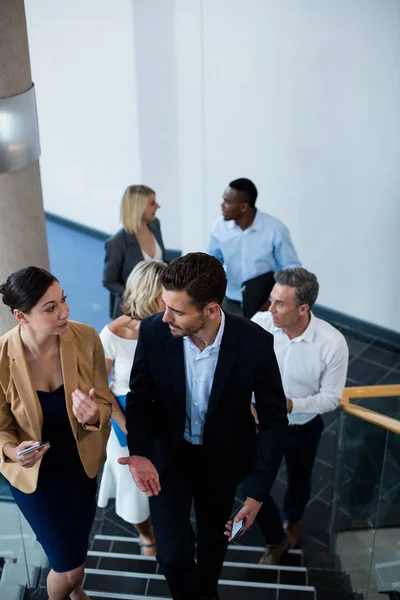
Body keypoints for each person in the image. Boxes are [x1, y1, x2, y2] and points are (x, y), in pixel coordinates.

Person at [120, 252, 288, 600]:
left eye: (177, 311)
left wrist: (257, 492)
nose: (165, 316)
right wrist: (139, 452)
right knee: (171, 554)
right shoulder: (153, 331)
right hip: (167, 457)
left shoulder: (255, 343)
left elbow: (273, 421)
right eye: (165, 304)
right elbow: (140, 399)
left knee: (213, 542)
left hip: (223, 461)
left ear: (211, 309)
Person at [0, 266, 113, 600]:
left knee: (74, 555)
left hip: (80, 465)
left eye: (63, 301)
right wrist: (11, 451)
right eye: (50, 308)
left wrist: (94, 414)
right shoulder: (2, 358)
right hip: (35, 477)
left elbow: (104, 401)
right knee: (68, 567)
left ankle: (76, 594)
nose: (65, 311)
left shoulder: (86, 337)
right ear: (21, 315)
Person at [251, 267, 349, 564]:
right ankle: (275, 538)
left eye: (280, 303)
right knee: (252, 484)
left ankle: (292, 521)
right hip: (260, 424)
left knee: (299, 478)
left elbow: (332, 398)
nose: (271, 309)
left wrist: (291, 405)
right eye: (271, 300)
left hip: (301, 428)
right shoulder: (260, 324)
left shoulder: (332, 344)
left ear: (303, 308)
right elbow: (237, 368)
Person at [97, 260, 167, 555]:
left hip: (164, 414)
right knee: (133, 491)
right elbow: (99, 385)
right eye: (167, 291)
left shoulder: (171, 326)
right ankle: (146, 533)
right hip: (123, 417)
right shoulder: (112, 333)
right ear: (151, 294)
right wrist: (127, 426)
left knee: (167, 478)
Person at [208, 178, 301, 316]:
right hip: (230, 302)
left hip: (264, 304)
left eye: (227, 201)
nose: (222, 205)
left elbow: (292, 269)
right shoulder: (219, 228)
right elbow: (212, 263)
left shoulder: (275, 230)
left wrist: (272, 300)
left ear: (243, 207)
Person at [103, 184, 165, 318]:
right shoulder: (116, 243)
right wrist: (137, 294)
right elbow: (109, 282)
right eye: (152, 203)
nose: (158, 206)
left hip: (159, 304)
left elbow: (159, 262)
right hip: (133, 310)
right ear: (138, 208)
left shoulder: (155, 224)